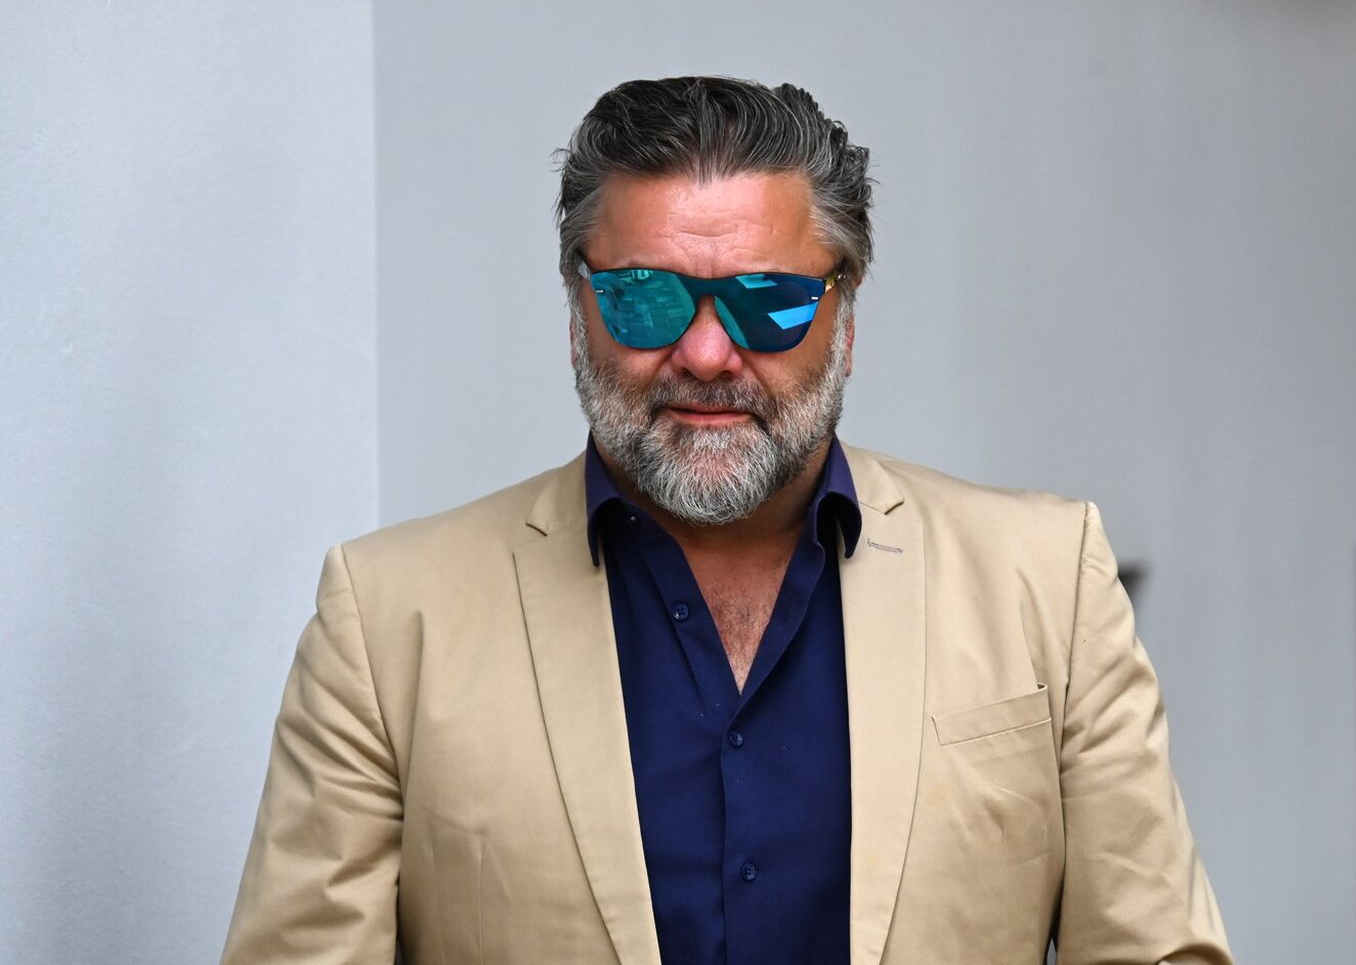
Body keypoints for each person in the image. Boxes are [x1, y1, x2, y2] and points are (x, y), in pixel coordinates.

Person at [222, 76, 1233, 965]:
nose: (707, 354)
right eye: (646, 301)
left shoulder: (1045, 582)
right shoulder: (388, 623)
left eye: (767, 302)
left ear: (845, 314)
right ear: (579, 309)